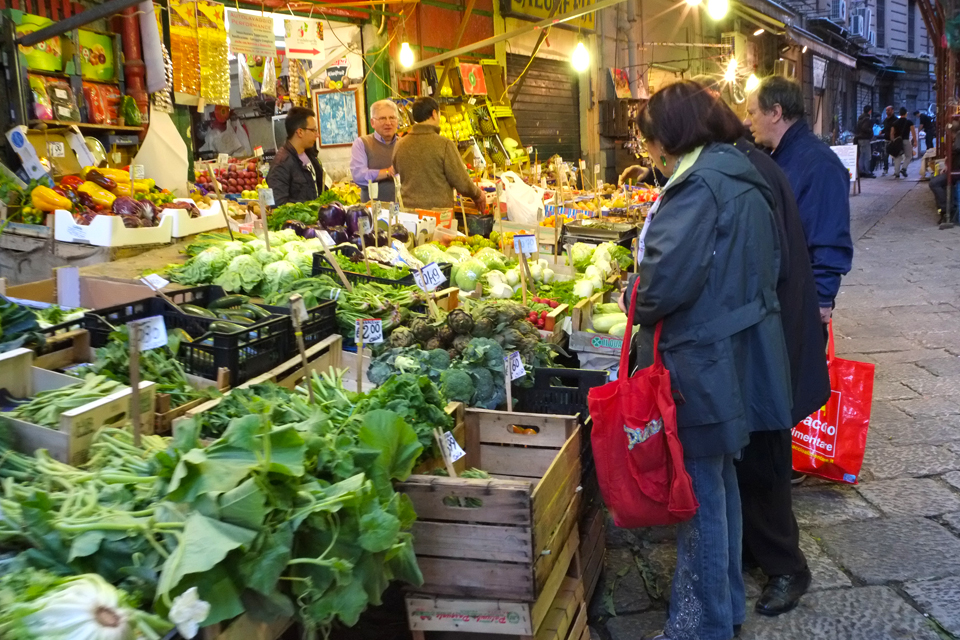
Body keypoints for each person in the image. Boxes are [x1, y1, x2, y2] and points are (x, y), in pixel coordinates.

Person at [620, 81, 793, 640]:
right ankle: (726, 611)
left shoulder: (698, 187)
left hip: (700, 361)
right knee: (719, 486)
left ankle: (699, 628)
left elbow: (658, 288)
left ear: (672, 133)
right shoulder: (742, 171)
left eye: (650, 140)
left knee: (697, 500)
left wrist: (630, 292)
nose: (649, 152)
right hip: (735, 356)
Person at [690, 76, 830, 618]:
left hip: (769, 336)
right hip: (764, 331)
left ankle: (788, 569)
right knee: (753, 451)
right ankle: (757, 549)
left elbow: (755, 267)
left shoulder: (743, 171)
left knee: (767, 453)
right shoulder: (745, 162)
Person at [745, 76, 853, 330]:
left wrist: (822, 297)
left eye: (752, 112)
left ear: (775, 113)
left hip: (801, 299)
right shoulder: (775, 155)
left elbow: (829, 235)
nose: (748, 121)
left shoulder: (818, 164)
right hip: (779, 295)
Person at [392, 96, 486, 212]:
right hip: (439, 215)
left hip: (409, 213)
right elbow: (461, 181)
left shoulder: (400, 144)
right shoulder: (444, 145)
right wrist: (478, 195)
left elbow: (396, 175)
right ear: (434, 114)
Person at [267, 107, 324, 206]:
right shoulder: (282, 163)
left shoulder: (310, 154)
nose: (317, 135)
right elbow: (279, 204)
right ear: (300, 132)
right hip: (299, 220)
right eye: (313, 130)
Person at [350, 99, 400, 202]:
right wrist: (388, 172)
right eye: (382, 118)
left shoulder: (403, 144)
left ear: (397, 121)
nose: (388, 123)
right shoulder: (362, 143)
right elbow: (359, 176)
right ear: (372, 122)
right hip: (372, 211)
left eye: (392, 118)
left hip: (402, 210)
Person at [929, 115, 960, 224]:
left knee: (934, 183)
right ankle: (946, 208)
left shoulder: (958, 137)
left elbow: (956, 149)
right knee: (941, 182)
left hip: (957, 170)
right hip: (955, 169)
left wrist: (948, 162)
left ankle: (946, 209)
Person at [890, 107, 918, 179]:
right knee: (908, 156)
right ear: (906, 114)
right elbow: (913, 132)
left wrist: (893, 141)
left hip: (897, 141)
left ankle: (896, 173)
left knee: (897, 156)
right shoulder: (909, 122)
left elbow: (892, 133)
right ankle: (904, 168)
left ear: (899, 114)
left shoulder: (895, 123)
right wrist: (915, 141)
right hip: (905, 140)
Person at [855, 105, 876, 178]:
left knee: (862, 156)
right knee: (867, 156)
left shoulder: (860, 118)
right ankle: (867, 171)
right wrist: (870, 131)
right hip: (865, 139)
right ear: (870, 111)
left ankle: (861, 171)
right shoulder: (867, 119)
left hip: (860, 139)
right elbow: (865, 128)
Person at [880, 106, 898, 176]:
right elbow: (886, 128)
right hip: (886, 139)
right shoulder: (885, 120)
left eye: (889, 110)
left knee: (895, 155)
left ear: (892, 111)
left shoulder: (895, 120)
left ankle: (896, 170)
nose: (887, 112)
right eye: (887, 110)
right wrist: (882, 131)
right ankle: (885, 169)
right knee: (885, 155)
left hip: (893, 140)